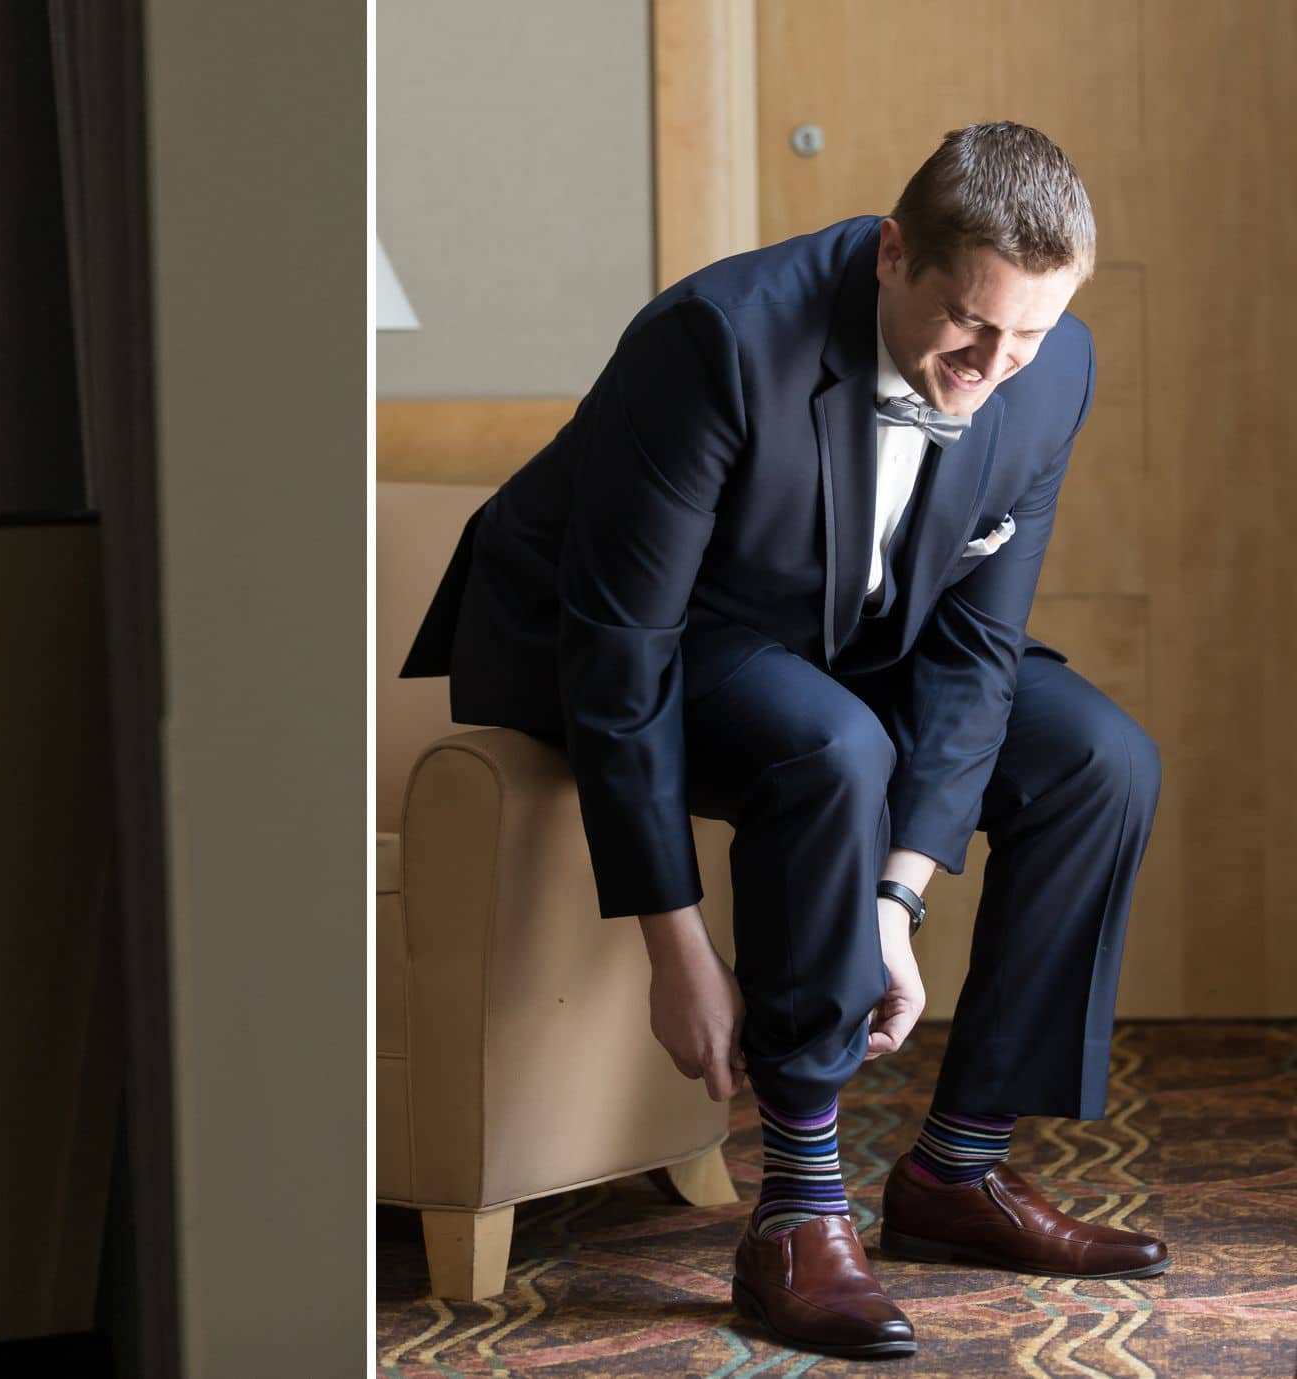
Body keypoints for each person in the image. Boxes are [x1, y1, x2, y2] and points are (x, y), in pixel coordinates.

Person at [401, 122, 1164, 1360]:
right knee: (830, 746)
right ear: (892, 252)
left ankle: (958, 1172)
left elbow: (975, 648)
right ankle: (797, 1216)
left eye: (1027, 334)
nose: (994, 364)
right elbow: (622, 648)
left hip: (845, 623)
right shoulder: (714, 341)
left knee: (1098, 758)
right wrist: (675, 941)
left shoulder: (1046, 367)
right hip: (620, 630)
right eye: (971, 324)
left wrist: (895, 898)